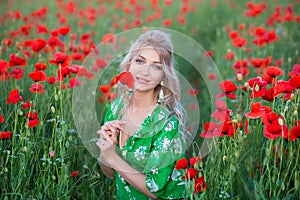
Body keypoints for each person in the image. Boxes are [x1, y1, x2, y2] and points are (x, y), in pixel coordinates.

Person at [96, 30, 188, 199]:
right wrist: (106, 152)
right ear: (129, 64)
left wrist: (114, 159)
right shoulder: (115, 109)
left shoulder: (167, 123)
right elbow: (109, 173)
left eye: (156, 66)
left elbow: (156, 191)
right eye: (140, 61)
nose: (145, 72)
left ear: (163, 75)